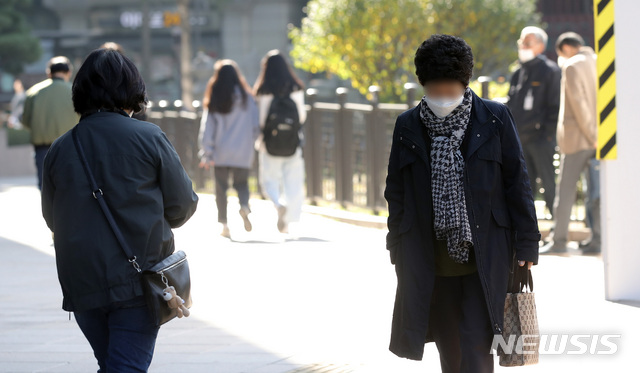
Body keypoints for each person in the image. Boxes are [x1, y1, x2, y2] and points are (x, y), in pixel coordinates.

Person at [385, 34, 540, 371]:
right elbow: (395, 191)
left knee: (476, 343)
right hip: (430, 260)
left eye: (450, 90)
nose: (442, 97)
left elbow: (518, 182)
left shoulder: (495, 118)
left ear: (464, 83)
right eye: (435, 90)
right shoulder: (408, 125)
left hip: (485, 255)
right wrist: (396, 245)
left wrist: (527, 243)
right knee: (448, 347)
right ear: (423, 85)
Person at [41, 48, 199, 372]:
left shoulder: (60, 148)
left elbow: (51, 218)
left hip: (81, 284)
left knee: (113, 364)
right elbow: (182, 206)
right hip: (137, 283)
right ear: (131, 90)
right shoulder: (148, 136)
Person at [541, 32, 599, 255]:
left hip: (579, 139)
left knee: (565, 193)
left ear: (565, 48)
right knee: (595, 192)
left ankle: (559, 241)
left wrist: (590, 134)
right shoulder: (597, 61)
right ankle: (596, 240)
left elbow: (579, 104)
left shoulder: (573, 66)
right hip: (598, 140)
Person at [199, 59, 260, 239]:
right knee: (242, 184)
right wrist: (251, 142)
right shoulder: (248, 99)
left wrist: (206, 151)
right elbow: (256, 126)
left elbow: (207, 128)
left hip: (220, 152)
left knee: (221, 188)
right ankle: (244, 205)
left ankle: (224, 224)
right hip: (243, 151)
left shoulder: (216, 98)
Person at [508, 26, 561, 218]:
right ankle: (527, 229)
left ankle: (557, 229)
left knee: (549, 185)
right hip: (520, 140)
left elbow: (555, 106)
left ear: (540, 46)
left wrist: (546, 134)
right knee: (523, 188)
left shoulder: (550, 71)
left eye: (527, 43)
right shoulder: (518, 72)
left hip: (541, 140)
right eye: (521, 42)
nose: (522, 46)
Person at [253, 50, 307, 234]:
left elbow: (261, 120)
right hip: (292, 141)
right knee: (294, 181)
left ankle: (278, 204)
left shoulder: (263, 90)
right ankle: (289, 220)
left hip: (269, 143)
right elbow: (301, 116)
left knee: (269, 180)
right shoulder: (295, 88)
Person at [22, 56, 79, 190]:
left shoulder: (33, 92)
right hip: (70, 147)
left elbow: (26, 121)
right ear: (69, 72)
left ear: (49, 73)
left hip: (42, 148)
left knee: (46, 186)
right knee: (70, 186)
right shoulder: (76, 92)